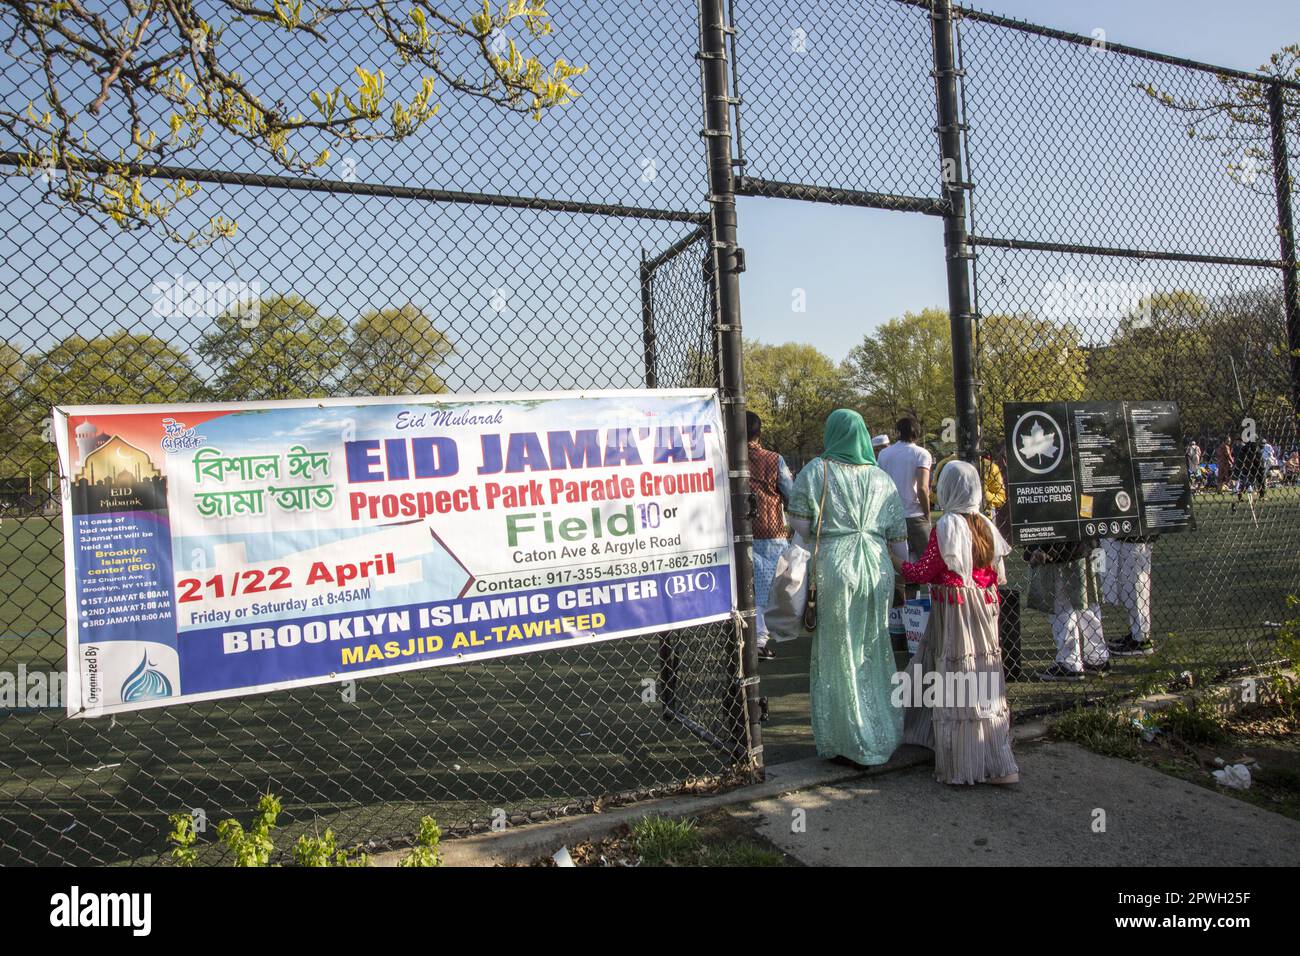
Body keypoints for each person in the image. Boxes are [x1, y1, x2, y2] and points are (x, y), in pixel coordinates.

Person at [788, 409, 908, 768]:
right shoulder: (881, 478)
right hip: (877, 567)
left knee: (838, 651)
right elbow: (899, 540)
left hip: (836, 568)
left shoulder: (816, 471)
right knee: (874, 646)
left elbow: (801, 526)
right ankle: (880, 729)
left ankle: (846, 738)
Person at [896, 461, 1019, 785]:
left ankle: (963, 763)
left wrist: (895, 561)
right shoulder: (985, 525)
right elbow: (995, 574)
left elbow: (923, 572)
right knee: (982, 678)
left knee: (957, 680)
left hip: (956, 612)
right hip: (984, 610)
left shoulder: (947, 526)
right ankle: (996, 760)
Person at [746, 411, 793, 662]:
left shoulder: (728, 461)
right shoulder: (774, 459)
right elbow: (790, 491)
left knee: (748, 587)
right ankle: (761, 640)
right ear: (759, 432)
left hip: (740, 532)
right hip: (772, 530)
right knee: (769, 589)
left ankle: (752, 637)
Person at [1025, 539, 1108, 681]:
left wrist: (1044, 548)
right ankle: (1097, 658)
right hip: (1088, 545)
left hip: (1064, 550)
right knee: (1088, 603)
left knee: (1063, 605)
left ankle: (1070, 662)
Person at [877, 416, 933, 562]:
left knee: (896, 562)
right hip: (915, 515)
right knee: (926, 562)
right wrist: (927, 515)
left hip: (891, 515)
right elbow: (922, 488)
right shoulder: (921, 454)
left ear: (898, 432)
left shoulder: (883, 454)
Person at [1101, 534, 1157, 656]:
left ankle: (1141, 640)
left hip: (1135, 536)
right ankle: (1137, 633)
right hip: (1126, 534)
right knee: (1128, 585)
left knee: (1135, 585)